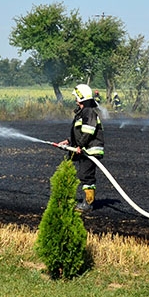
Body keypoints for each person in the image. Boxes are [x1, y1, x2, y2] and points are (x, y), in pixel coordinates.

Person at [57, 84, 104, 212]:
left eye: (76, 97)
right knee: (83, 174)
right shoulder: (82, 112)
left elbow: (88, 132)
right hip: (84, 148)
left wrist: (79, 146)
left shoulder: (88, 112)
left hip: (91, 149)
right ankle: (86, 201)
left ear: (81, 97)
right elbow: (79, 132)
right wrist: (69, 141)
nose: (75, 99)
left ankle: (88, 204)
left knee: (86, 175)